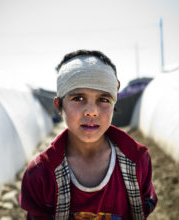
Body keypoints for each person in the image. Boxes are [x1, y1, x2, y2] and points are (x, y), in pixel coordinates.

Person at [19, 50, 157, 220]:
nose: (92, 111)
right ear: (59, 106)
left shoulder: (138, 161)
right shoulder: (40, 173)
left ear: (114, 106)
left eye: (104, 99)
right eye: (78, 98)